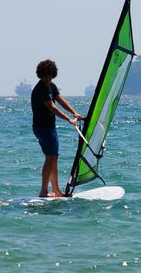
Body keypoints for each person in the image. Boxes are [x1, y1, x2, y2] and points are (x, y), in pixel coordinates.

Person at [31, 59, 82, 197]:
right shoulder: (40, 89)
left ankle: (56, 190)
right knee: (49, 157)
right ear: (40, 75)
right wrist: (68, 119)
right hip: (42, 128)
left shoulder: (51, 86)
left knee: (54, 157)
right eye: (44, 75)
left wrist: (74, 112)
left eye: (49, 75)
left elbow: (60, 100)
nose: (47, 77)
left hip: (50, 128)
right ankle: (44, 191)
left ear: (53, 74)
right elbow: (52, 107)